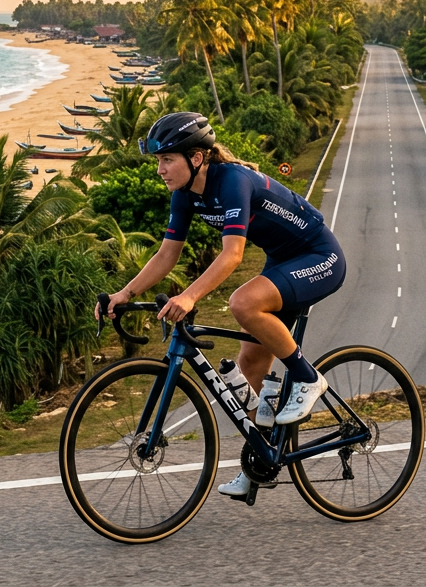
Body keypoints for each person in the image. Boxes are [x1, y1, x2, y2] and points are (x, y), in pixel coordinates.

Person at [99, 112, 346, 498]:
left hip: (318, 256)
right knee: (249, 368)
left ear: (196, 158)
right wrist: (124, 294)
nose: (160, 169)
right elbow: (167, 254)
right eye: (159, 161)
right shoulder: (184, 195)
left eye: (167, 160)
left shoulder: (231, 181)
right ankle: (262, 458)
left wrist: (189, 295)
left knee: (243, 303)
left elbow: (232, 256)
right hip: (282, 261)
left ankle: (307, 378)